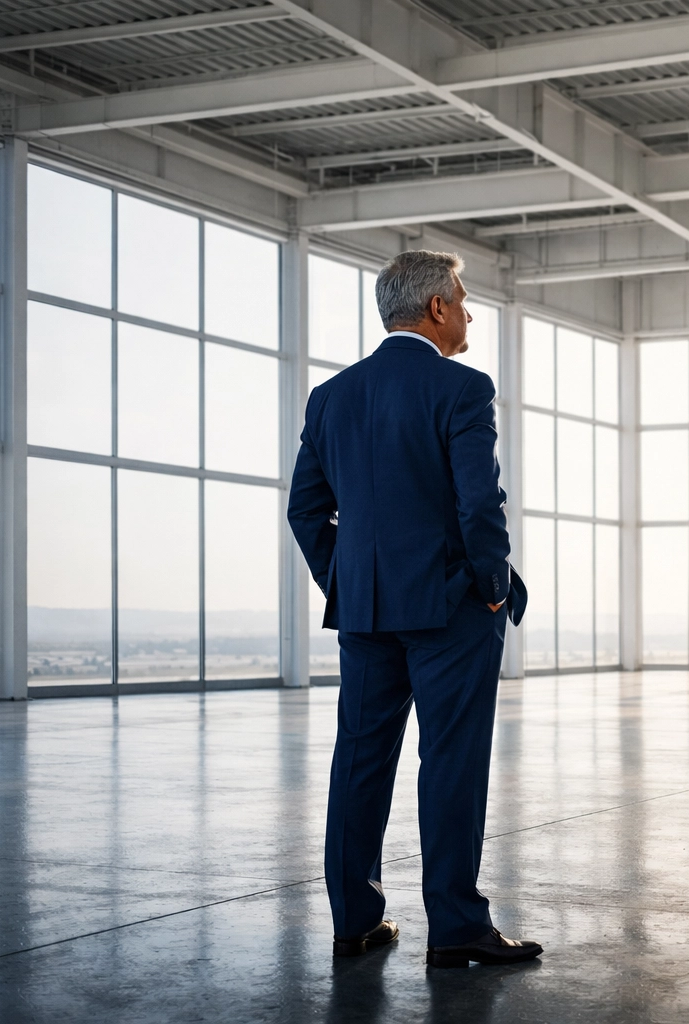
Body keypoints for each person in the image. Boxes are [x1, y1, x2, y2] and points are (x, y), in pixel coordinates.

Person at [287, 249, 538, 969]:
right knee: (451, 763)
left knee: (360, 763)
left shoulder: (332, 396)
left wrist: (351, 576)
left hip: (366, 612)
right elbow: (476, 503)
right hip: (449, 609)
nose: (467, 313)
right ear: (435, 308)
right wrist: (492, 584)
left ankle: (355, 921)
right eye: (461, 300)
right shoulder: (460, 388)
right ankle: (457, 926)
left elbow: (306, 510)